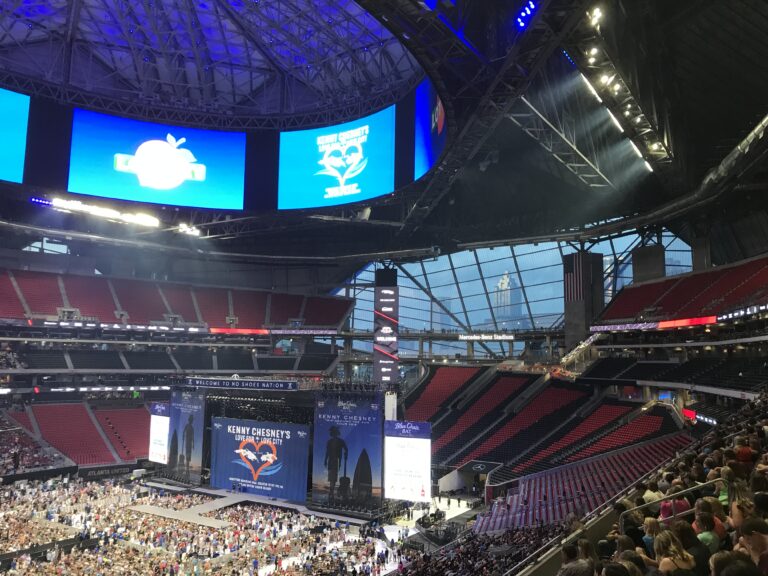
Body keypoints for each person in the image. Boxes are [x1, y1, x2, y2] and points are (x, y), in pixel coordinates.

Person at [324, 425, 348, 502]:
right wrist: (325, 460)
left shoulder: (341, 441)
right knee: (332, 478)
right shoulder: (329, 442)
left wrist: (345, 454)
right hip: (331, 461)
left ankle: (331, 493)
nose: (334, 434)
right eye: (333, 432)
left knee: (333, 478)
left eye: (335, 432)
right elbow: (327, 452)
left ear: (336, 433)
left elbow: (346, 448)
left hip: (336, 460)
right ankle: (331, 493)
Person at [182, 414, 195, 479]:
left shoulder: (192, 427)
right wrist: (183, 437)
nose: (191, 421)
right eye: (191, 420)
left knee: (188, 456)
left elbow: (193, 436)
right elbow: (183, 432)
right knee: (187, 455)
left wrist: (193, 444)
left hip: (189, 443)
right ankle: (187, 470)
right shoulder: (187, 426)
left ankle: (187, 470)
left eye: (192, 420)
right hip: (187, 443)